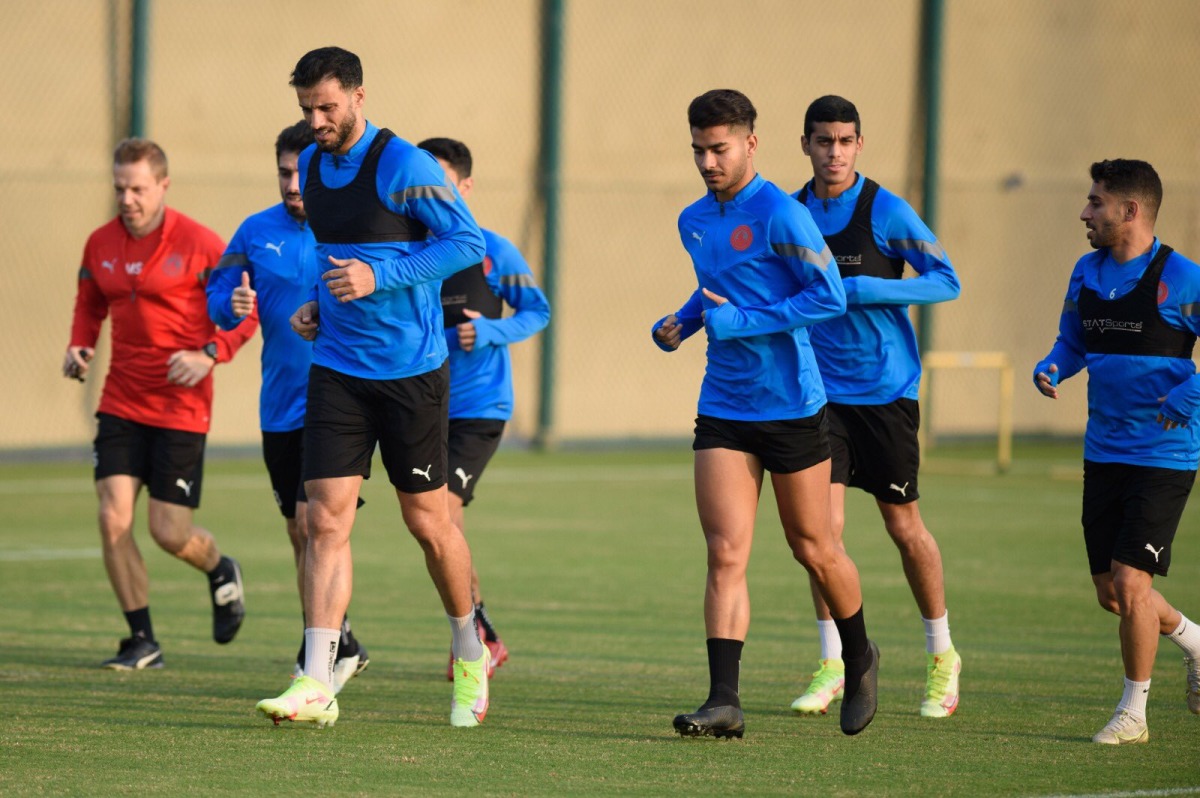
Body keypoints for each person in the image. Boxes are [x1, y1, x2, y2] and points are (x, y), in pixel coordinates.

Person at [255, 47, 489, 730]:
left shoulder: (404, 165)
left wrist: (378, 280)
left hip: (412, 374)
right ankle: (316, 679)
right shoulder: (310, 164)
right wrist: (319, 306)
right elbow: (335, 259)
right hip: (337, 369)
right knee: (323, 518)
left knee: (430, 524)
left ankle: (469, 650)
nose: (318, 121)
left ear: (359, 95)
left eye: (328, 107)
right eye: (307, 110)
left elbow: (465, 243)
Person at [652, 89, 879, 738]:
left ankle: (860, 655)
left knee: (814, 547)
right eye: (698, 149)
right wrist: (686, 320)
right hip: (724, 406)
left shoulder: (782, 214)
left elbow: (828, 297)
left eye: (719, 149)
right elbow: (719, 287)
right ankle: (724, 700)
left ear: (751, 144)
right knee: (725, 553)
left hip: (791, 407)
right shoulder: (693, 219)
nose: (707, 161)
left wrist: (741, 322)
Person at [789, 95, 963, 718]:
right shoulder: (793, 214)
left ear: (859, 145)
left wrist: (867, 287)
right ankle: (834, 661)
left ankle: (942, 655)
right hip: (819, 398)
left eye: (845, 140)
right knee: (819, 536)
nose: (834, 151)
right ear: (804, 145)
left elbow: (946, 280)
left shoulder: (886, 210)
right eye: (822, 140)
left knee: (902, 527)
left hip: (885, 393)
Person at [63, 137, 254, 670]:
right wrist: (80, 344)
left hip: (181, 407)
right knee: (112, 519)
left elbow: (246, 312)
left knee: (168, 532)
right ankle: (142, 639)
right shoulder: (99, 242)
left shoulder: (201, 244)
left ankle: (219, 568)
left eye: (138, 189)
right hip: (120, 400)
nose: (127, 198)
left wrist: (210, 354)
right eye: (120, 187)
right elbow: (90, 301)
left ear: (163, 186)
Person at [1034, 158, 1200, 745]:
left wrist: (1190, 392)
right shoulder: (1085, 271)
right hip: (1104, 452)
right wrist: (1054, 364)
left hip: (1165, 455)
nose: (1085, 212)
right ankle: (1194, 641)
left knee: (1132, 584)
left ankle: (1134, 714)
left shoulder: (1183, 277)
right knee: (1113, 594)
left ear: (1130, 210)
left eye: (1095, 202)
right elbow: (1073, 340)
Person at [207, 120, 368, 694]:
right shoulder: (254, 232)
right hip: (278, 405)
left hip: (339, 399)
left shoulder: (351, 223)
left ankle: (318, 656)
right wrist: (232, 304)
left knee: (315, 521)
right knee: (300, 532)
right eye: (283, 173)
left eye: (302, 172)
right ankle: (341, 640)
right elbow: (217, 298)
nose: (293, 184)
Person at [416, 137, 551, 681]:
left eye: (443, 182)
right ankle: (482, 635)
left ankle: (473, 640)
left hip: (479, 407)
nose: (432, 194)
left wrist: (490, 330)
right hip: (425, 406)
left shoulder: (494, 250)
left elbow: (536, 312)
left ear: (466, 187)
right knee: (442, 527)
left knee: (442, 514)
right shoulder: (413, 253)